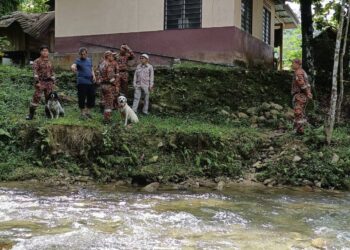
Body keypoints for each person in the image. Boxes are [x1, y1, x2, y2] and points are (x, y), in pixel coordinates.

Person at [26, 45, 56, 120]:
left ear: (48, 52)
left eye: (46, 51)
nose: (45, 52)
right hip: (40, 82)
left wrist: (54, 79)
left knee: (48, 99)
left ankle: (48, 114)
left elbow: (52, 72)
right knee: (36, 98)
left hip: (49, 83)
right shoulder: (37, 61)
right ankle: (31, 115)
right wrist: (37, 82)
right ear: (40, 52)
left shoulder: (50, 62)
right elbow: (35, 72)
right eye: (43, 51)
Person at [71, 47, 96, 119]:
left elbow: (91, 69)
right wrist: (73, 67)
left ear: (86, 54)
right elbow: (73, 65)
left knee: (91, 96)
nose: (83, 56)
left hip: (90, 81)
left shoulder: (89, 60)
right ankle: (82, 113)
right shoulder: (78, 60)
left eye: (84, 54)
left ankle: (88, 112)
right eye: (81, 54)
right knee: (82, 97)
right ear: (79, 54)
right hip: (82, 82)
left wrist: (94, 76)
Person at [291, 58, 313, 135]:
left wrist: (307, 93)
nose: (292, 65)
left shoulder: (298, 72)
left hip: (300, 95)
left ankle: (300, 131)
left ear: (298, 64)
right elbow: (308, 84)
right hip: (302, 95)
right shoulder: (303, 71)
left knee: (298, 112)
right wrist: (309, 93)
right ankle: (301, 130)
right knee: (301, 112)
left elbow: (302, 84)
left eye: (293, 63)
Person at [99, 50, 120, 123]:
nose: (112, 57)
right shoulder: (108, 64)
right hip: (108, 86)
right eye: (111, 56)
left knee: (105, 102)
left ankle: (105, 117)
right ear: (108, 56)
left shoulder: (101, 64)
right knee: (109, 104)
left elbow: (100, 75)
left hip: (102, 85)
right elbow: (111, 78)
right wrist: (115, 83)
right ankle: (107, 120)